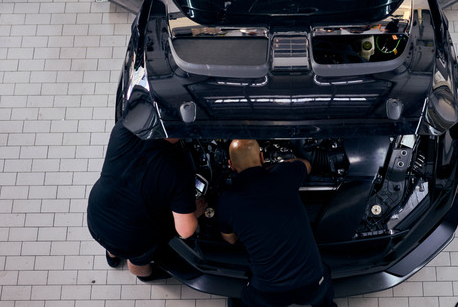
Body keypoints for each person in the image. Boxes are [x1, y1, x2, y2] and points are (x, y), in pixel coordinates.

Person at [218, 140, 335, 307]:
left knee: (241, 299)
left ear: (230, 164)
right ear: (261, 157)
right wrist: (275, 166)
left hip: (268, 293)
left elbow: (230, 239)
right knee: (324, 281)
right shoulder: (284, 174)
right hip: (311, 285)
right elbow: (306, 164)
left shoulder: (226, 200)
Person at [87, 120, 206, 281]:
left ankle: (112, 255)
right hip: (132, 239)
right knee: (137, 259)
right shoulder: (178, 168)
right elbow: (186, 230)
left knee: (110, 240)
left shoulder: (123, 129)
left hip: (96, 216)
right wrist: (194, 211)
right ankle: (144, 275)